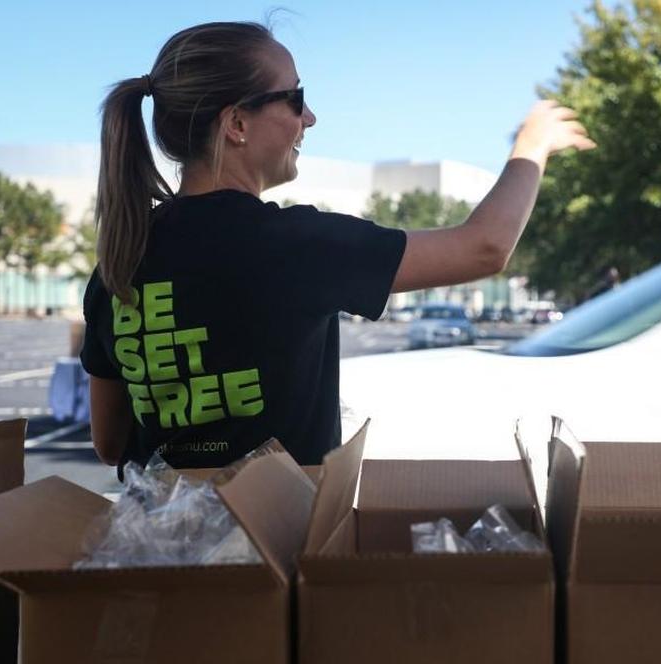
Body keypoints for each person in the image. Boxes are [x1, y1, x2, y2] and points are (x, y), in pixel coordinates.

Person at [81, 21, 595, 473]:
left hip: (162, 559)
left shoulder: (120, 261)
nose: (309, 119)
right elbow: (485, 247)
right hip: (275, 557)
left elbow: (110, 445)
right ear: (236, 123)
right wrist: (532, 145)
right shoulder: (292, 245)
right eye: (296, 99)